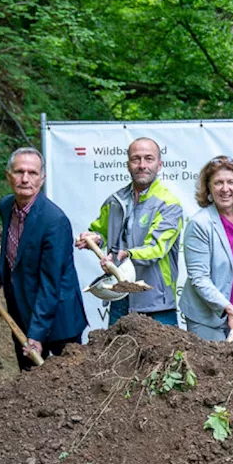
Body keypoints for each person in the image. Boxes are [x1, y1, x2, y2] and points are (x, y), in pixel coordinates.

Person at [0, 147, 87, 370]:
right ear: (8, 175)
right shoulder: (6, 206)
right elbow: (11, 252)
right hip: (23, 311)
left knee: (67, 384)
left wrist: (36, 334)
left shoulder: (54, 221)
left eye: (32, 173)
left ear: (42, 178)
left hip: (59, 321)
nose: (25, 179)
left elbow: (51, 283)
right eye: (19, 172)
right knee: (29, 385)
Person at [76, 137, 184, 326]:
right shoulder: (114, 201)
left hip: (156, 303)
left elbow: (156, 248)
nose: (142, 165)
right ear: (128, 165)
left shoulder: (169, 204)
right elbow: (100, 231)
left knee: (165, 356)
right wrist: (94, 239)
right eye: (136, 159)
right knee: (116, 355)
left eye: (148, 159)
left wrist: (126, 255)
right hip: (120, 299)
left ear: (159, 165)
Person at [179, 156, 233, 341]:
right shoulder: (199, 224)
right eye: (218, 183)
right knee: (214, 368)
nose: (225, 189)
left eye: (231, 182)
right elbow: (199, 278)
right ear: (209, 188)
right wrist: (227, 307)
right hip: (207, 317)